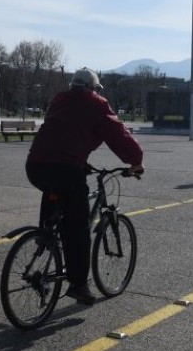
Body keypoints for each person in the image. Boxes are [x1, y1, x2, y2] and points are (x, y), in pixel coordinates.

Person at [26, 67, 144, 305]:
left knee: (54, 190)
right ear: (93, 88)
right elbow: (118, 134)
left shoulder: (59, 99)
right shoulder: (96, 104)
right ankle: (79, 286)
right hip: (65, 169)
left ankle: (45, 233)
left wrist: (81, 163)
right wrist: (136, 161)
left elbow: (63, 137)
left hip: (35, 165)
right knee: (78, 229)